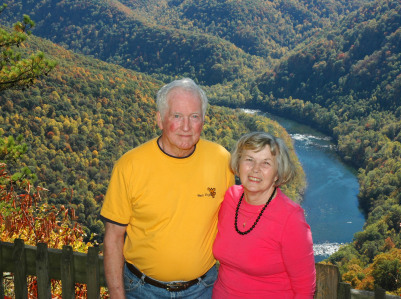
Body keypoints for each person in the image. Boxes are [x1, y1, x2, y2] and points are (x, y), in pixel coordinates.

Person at [100, 78, 235, 298]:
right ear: (160, 120)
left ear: (203, 121)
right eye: (177, 116)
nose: (186, 126)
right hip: (142, 290)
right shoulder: (130, 165)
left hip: (203, 290)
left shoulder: (221, 160)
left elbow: (235, 222)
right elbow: (113, 238)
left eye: (194, 117)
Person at [212, 132, 316, 298]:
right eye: (249, 160)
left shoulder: (291, 219)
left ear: (277, 173)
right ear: (238, 164)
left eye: (266, 163)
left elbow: (304, 290)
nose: (255, 169)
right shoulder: (229, 199)